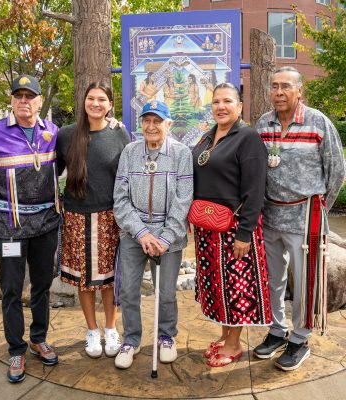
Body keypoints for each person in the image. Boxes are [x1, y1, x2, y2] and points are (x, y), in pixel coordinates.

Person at [254, 67, 345, 371]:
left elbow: (337, 171)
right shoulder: (263, 124)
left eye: (286, 87)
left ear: (299, 91)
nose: (278, 92)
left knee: (307, 282)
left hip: (306, 217)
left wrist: (320, 206)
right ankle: (278, 331)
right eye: (274, 86)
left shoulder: (318, 122)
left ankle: (300, 338)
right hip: (270, 215)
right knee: (273, 279)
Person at [0, 74, 60, 383]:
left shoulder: (52, 132)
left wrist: (112, 125)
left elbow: (83, 141)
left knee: (42, 286)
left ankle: (38, 338)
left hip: (46, 225)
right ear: (12, 100)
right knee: (10, 290)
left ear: (38, 101)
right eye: (18, 96)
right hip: (9, 227)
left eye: (29, 96)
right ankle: (17, 350)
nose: (24, 101)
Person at [192, 83, 272, 367]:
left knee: (236, 285)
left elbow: (255, 188)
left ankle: (235, 344)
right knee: (217, 285)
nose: (221, 107)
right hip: (207, 227)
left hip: (234, 228)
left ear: (239, 106)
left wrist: (244, 232)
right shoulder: (208, 136)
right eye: (216, 102)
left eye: (227, 101)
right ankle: (225, 336)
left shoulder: (247, 137)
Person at [113, 100, 193, 369]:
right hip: (134, 234)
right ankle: (131, 339)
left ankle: (166, 336)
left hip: (168, 235)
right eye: (146, 120)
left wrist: (166, 237)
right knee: (128, 290)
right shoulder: (130, 151)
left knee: (167, 292)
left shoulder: (181, 154)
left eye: (157, 121)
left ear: (168, 124)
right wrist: (142, 233)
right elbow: (120, 200)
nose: (151, 126)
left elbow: (184, 200)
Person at [57, 82, 130, 359]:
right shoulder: (67, 136)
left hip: (110, 216)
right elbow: (52, 171)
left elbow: (129, 173)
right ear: (83, 101)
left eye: (102, 99)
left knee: (109, 279)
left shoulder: (119, 133)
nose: (96, 103)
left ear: (110, 105)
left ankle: (111, 328)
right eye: (91, 98)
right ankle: (91, 330)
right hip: (76, 216)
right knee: (84, 280)